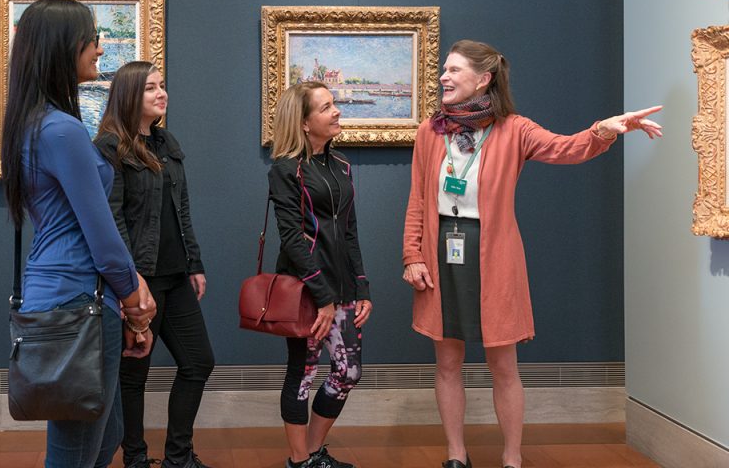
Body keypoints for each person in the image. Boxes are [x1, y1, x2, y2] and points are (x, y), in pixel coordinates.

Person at [401, 40, 662, 468]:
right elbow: (418, 199)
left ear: (483, 79)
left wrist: (604, 130)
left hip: (494, 255)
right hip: (441, 250)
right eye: (444, 69)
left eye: (453, 70)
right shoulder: (430, 131)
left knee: (503, 365)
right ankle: (456, 455)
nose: (443, 77)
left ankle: (512, 458)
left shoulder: (515, 129)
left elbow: (565, 148)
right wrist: (412, 255)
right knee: (447, 362)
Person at [0, 0, 158, 468]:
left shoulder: (34, 124)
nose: (100, 48)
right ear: (62, 47)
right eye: (92, 40)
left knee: (105, 433)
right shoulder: (61, 130)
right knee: (75, 452)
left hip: (64, 291)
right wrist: (135, 303)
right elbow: (101, 234)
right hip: (78, 296)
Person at [94, 61, 215, 468]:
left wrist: (194, 263)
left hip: (176, 275)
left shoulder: (167, 142)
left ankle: (178, 458)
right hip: (138, 280)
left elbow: (182, 210)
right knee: (133, 376)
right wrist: (128, 282)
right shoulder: (110, 147)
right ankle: (135, 458)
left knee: (198, 362)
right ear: (129, 95)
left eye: (161, 86)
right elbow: (112, 220)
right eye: (150, 88)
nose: (161, 93)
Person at [267, 81, 373, 468]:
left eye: (334, 104)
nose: (337, 111)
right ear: (304, 122)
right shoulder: (285, 169)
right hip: (306, 291)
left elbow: (350, 231)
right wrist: (323, 297)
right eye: (326, 107)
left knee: (348, 372)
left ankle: (312, 452)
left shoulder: (341, 165)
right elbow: (292, 239)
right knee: (303, 373)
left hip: (343, 288)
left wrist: (361, 287)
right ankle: (300, 460)